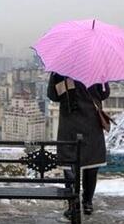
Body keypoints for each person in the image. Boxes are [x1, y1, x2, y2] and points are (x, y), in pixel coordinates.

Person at [47, 72, 110, 215]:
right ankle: (87, 202)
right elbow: (105, 94)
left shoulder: (60, 71)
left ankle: (72, 203)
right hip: (91, 123)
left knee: (69, 165)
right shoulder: (96, 68)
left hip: (69, 124)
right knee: (91, 164)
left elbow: (53, 95)